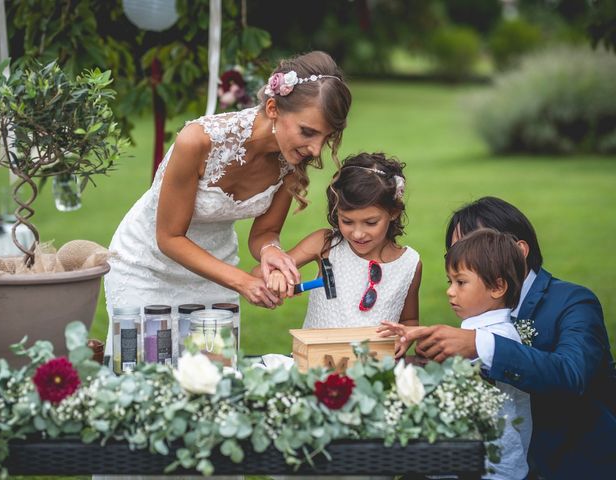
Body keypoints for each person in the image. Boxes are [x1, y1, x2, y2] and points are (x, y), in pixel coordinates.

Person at [103, 51, 352, 358]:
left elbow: (266, 232)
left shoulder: (292, 161)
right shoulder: (198, 141)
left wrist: (271, 250)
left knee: (212, 377)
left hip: (216, 273)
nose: (316, 149)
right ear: (273, 108)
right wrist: (242, 281)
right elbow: (169, 237)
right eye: (308, 132)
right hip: (147, 267)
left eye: (325, 138)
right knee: (145, 370)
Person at [392, 197, 616, 479]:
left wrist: (479, 345)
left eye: (476, 246)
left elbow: (572, 374)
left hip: (568, 462)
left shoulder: (573, 302)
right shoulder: (479, 306)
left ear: (519, 250)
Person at [379, 228, 532, 479]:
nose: (450, 291)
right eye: (450, 282)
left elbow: (477, 352)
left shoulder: (502, 337)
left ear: (497, 287)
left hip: (490, 469)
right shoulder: (483, 328)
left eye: (460, 282)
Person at [255, 152, 421, 329]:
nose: (357, 234)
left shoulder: (410, 264)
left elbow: (409, 321)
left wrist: (398, 344)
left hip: (375, 357)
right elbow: (257, 274)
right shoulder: (325, 243)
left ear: (393, 212)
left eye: (370, 222)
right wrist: (277, 274)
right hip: (317, 355)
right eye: (347, 221)